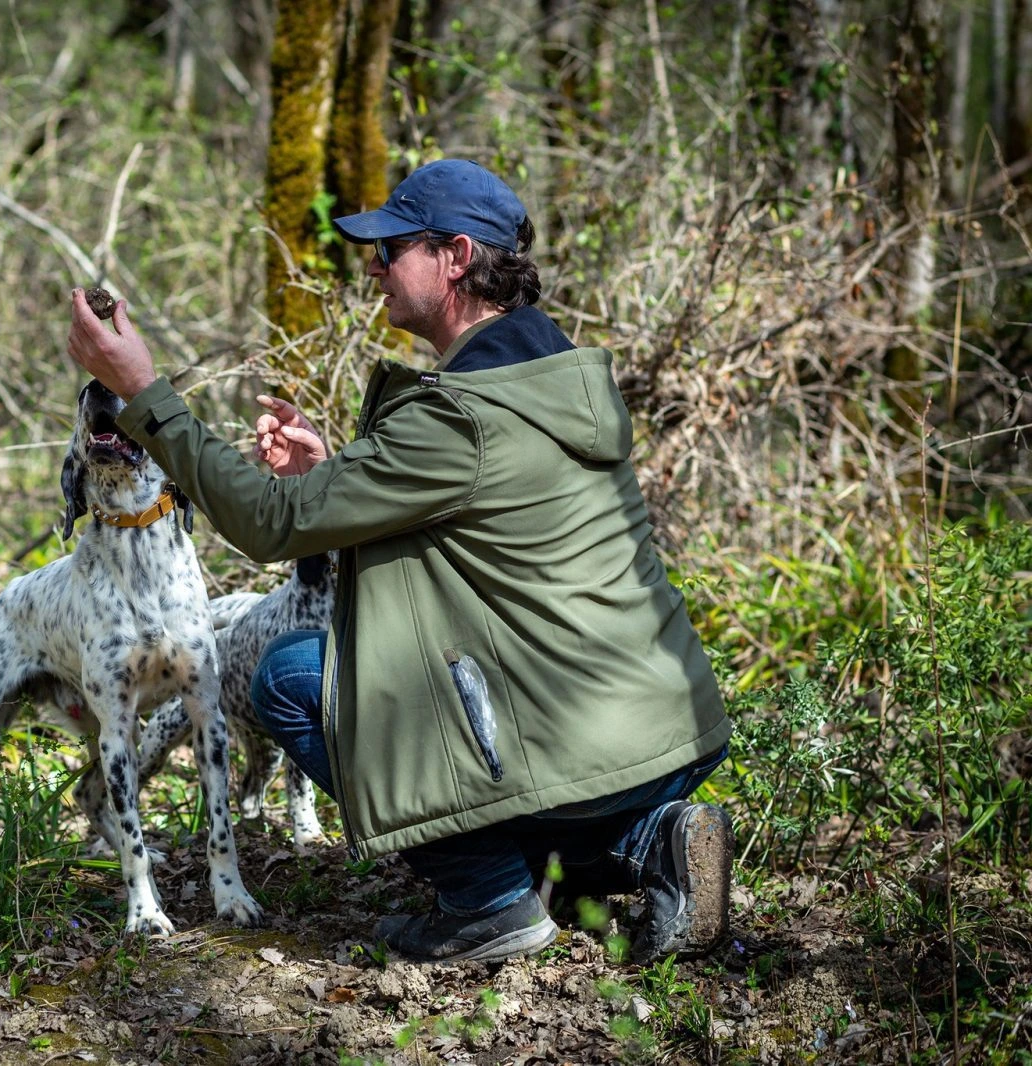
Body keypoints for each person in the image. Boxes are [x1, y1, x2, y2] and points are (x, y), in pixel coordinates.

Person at [66, 158, 734, 964]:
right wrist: (334, 480)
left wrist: (146, 392)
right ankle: (648, 840)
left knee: (290, 676)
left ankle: (487, 899)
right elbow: (466, 526)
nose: (373, 265)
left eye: (393, 247)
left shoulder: (460, 418)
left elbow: (272, 524)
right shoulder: (551, 381)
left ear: (455, 257)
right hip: (667, 739)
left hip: (583, 746)